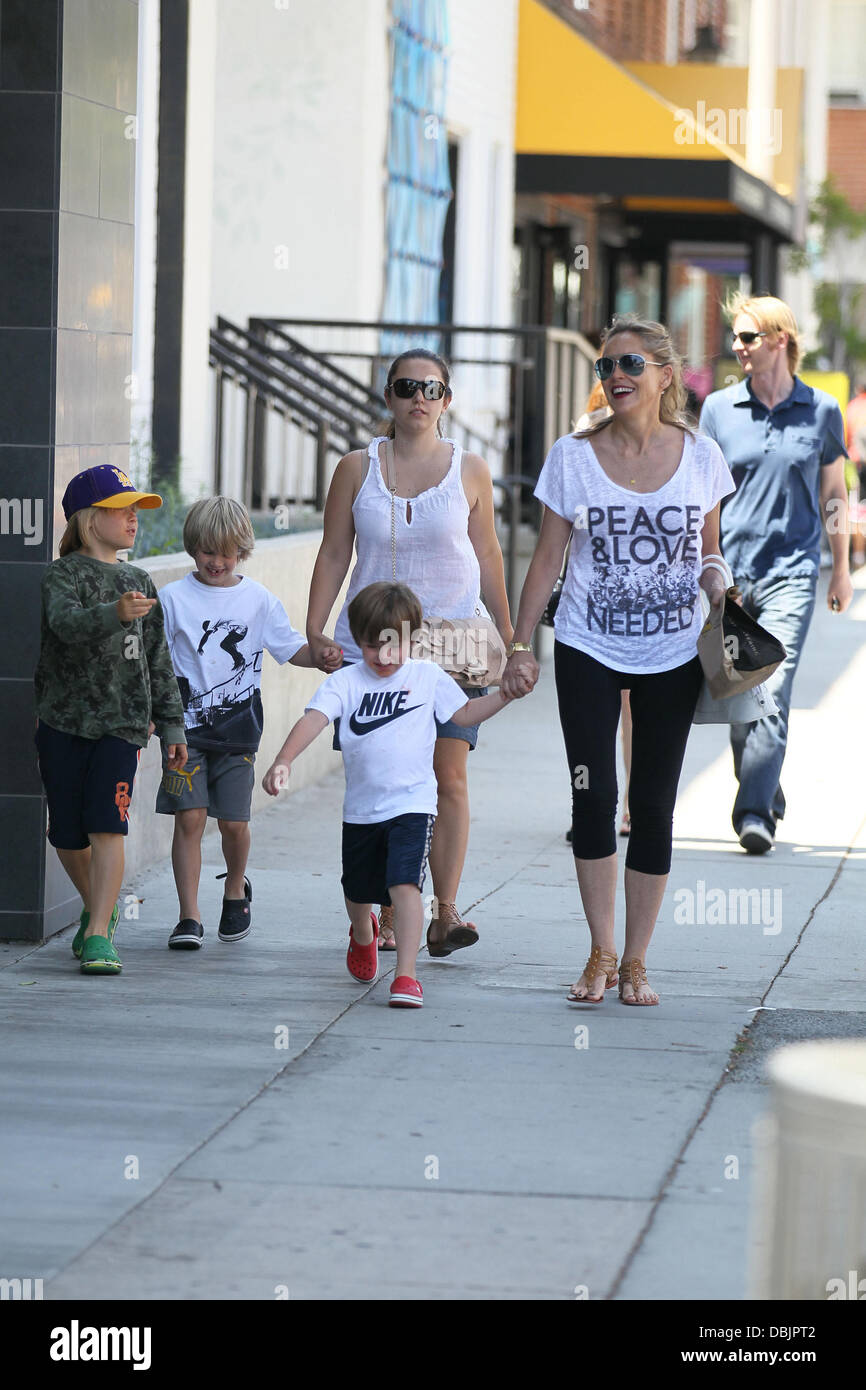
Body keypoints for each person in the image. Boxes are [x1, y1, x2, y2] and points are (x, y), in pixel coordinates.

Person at [501, 314, 734, 1006]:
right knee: (593, 796)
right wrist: (519, 645)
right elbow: (547, 559)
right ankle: (601, 950)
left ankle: (636, 960)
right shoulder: (572, 456)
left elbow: (709, 549)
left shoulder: (701, 457)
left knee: (654, 805)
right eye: (607, 367)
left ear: (665, 375)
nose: (618, 378)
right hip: (587, 647)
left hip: (672, 651)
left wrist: (719, 583)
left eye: (631, 365)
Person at [304, 349, 513, 956]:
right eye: (406, 387)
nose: (419, 398)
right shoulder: (355, 468)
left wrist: (513, 637)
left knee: (448, 780)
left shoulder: (471, 471)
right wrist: (316, 629)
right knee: (380, 782)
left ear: (447, 400)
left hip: (452, 645)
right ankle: (379, 913)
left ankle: (444, 913)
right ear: (388, 397)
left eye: (431, 388)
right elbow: (334, 553)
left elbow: (490, 557)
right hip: (374, 646)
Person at [263, 582, 525, 1007]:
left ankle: (405, 975)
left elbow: (463, 713)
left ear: (412, 639)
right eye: (372, 646)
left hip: (413, 807)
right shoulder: (346, 681)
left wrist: (503, 697)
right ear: (357, 641)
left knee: (405, 885)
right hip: (362, 812)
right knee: (357, 889)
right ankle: (363, 932)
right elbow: (313, 719)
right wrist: (283, 760)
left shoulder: (427, 677)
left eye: (393, 646)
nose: (383, 657)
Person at [700, 294, 852, 854]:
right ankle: (767, 784)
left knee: (771, 687)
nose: (736, 347)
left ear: (779, 340)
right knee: (738, 694)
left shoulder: (822, 410)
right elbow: (704, 498)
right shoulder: (717, 409)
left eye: (746, 338)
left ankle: (754, 812)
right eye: (735, 338)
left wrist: (840, 570)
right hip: (732, 577)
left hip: (793, 571)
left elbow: (834, 493)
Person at [33, 464, 187, 975]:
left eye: (136, 511)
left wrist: (172, 725)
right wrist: (114, 614)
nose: (132, 519)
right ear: (87, 518)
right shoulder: (63, 575)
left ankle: (99, 931)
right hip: (62, 721)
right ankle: (101, 908)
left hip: (123, 725)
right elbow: (67, 625)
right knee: (67, 835)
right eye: (121, 509)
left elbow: (158, 658)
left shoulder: (139, 580)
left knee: (108, 826)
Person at [156, 497, 317, 949]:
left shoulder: (259, 601)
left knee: (233, 823)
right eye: (207, 551)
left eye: (226, 552)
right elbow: (158, 665)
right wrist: (156, 718)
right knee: (189, 818)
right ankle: (189, 916)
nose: (216, 561)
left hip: (239, 733)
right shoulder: (172, 599)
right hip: (184, 733)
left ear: (242, 551)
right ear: (193, 548)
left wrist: (323, 658)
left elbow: (290, 648)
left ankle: (235, 888)